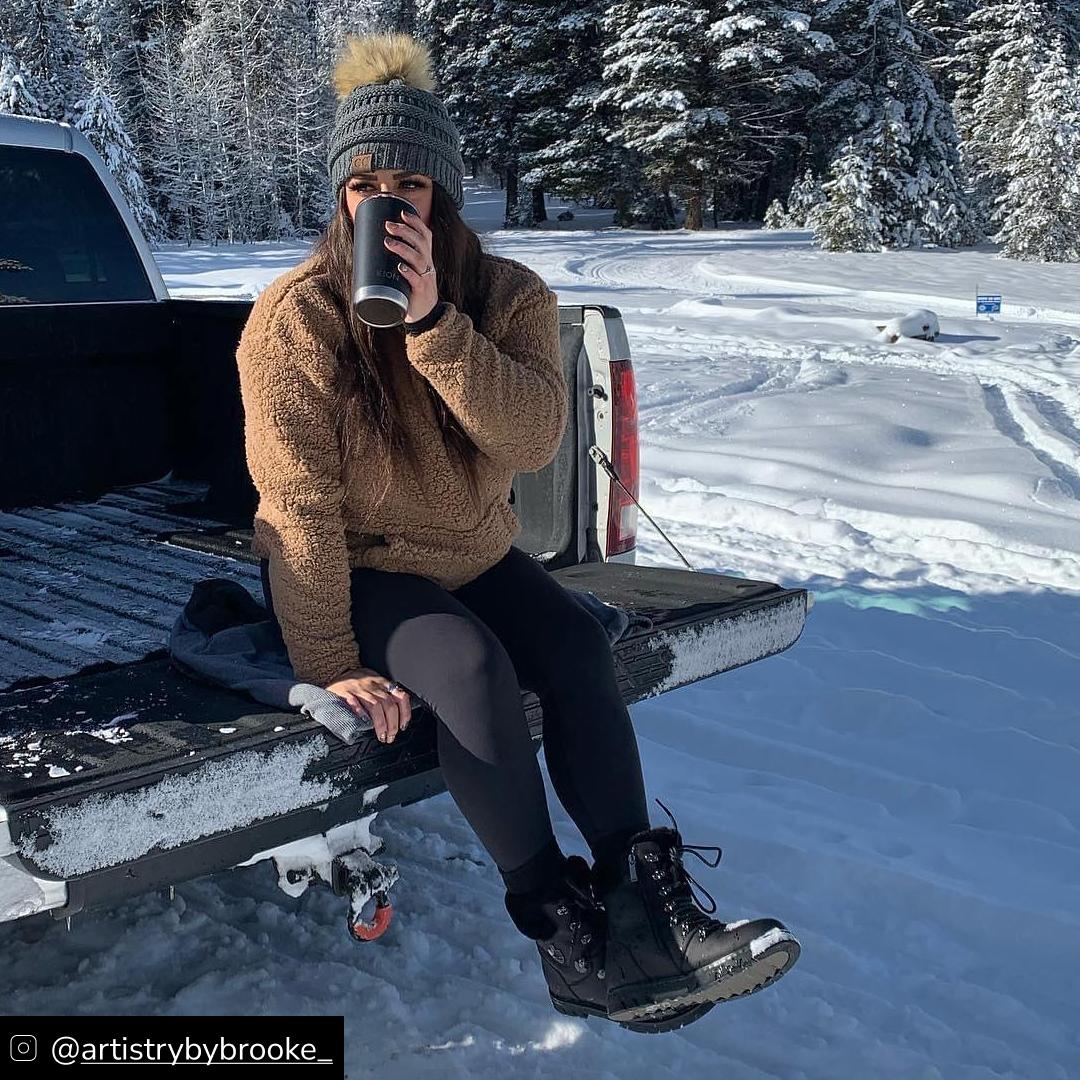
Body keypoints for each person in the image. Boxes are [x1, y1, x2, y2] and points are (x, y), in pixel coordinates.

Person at [234, 30, 800, 1033]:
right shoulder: (295, 320)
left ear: (443, 196)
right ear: (341, 196)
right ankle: (566, 936)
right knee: (471, 668)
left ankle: (644, 911)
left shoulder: (508, 298)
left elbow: (534, 439)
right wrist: (326, 659)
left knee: (578, 643)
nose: (387, 202)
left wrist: (434, 326)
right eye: (365, 183)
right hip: (369, 570)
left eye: (410, 182)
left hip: (480, 549)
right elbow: (298, 504)